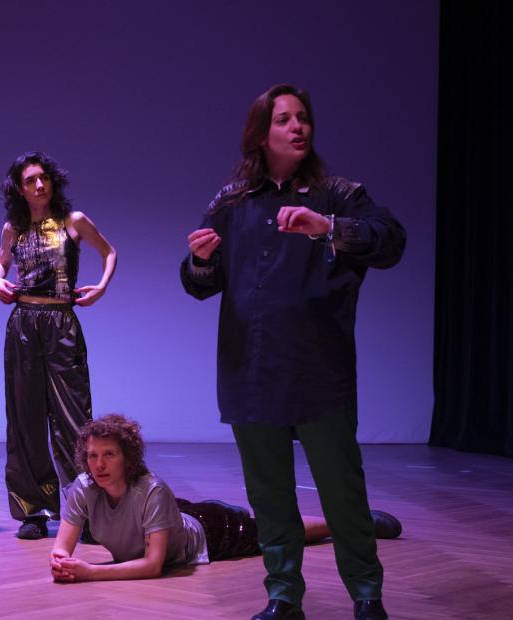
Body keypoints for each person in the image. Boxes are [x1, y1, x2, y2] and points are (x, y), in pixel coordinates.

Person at [180, 84, 406, 620]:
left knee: (342, 493)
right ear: (261, 133)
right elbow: (197, 284)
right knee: (271, 497)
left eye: (303, 118)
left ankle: (366, 595)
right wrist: (200, 261)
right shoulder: (230, 203)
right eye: (284, 119)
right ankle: (283, 597)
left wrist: (329, 228)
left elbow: (391, 240)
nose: (298, 127)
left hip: (318, 372)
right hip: (252, 373)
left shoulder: (339, 194)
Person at [49, 415, 401, 583]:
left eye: (109, 455)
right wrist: (62, 561)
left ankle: (353, 523)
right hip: (173, 516)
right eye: (93, 455)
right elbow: (62, 548)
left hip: (211, 531)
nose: (99, 464)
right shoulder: (84, 487)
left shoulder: (151, 489)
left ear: (127, 457)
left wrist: (90, 572)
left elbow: (154, 566)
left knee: (274, 531)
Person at [0, 152, 117, 539]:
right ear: (20, 188)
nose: (39, 185)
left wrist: (101, 287)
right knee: (25, 419)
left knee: (75, 420)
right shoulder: (13, 227)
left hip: (61, 323)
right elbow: (0, 264)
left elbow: (109, 252)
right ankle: (35, 510)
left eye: (43, 177)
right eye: (30, 180)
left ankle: (87, 511)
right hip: (24, 324)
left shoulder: (73, 221)